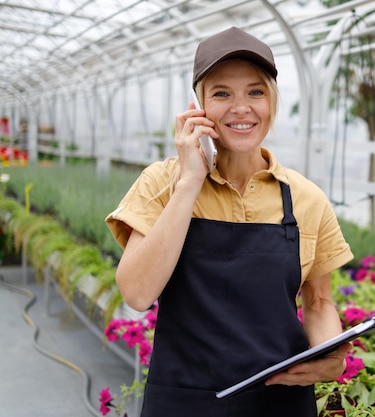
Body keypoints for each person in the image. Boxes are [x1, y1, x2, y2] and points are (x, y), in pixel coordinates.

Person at [105, 27, 354, 417]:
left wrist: (331, 357)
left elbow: (319, 301)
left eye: (255, 92)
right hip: (185, 402)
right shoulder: (161, 183)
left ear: (272, 100)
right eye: (222, 93)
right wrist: (189, 182)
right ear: (197, 106)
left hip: (281, 403)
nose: (241, 108)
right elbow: (136, 293)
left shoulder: (306, 198)